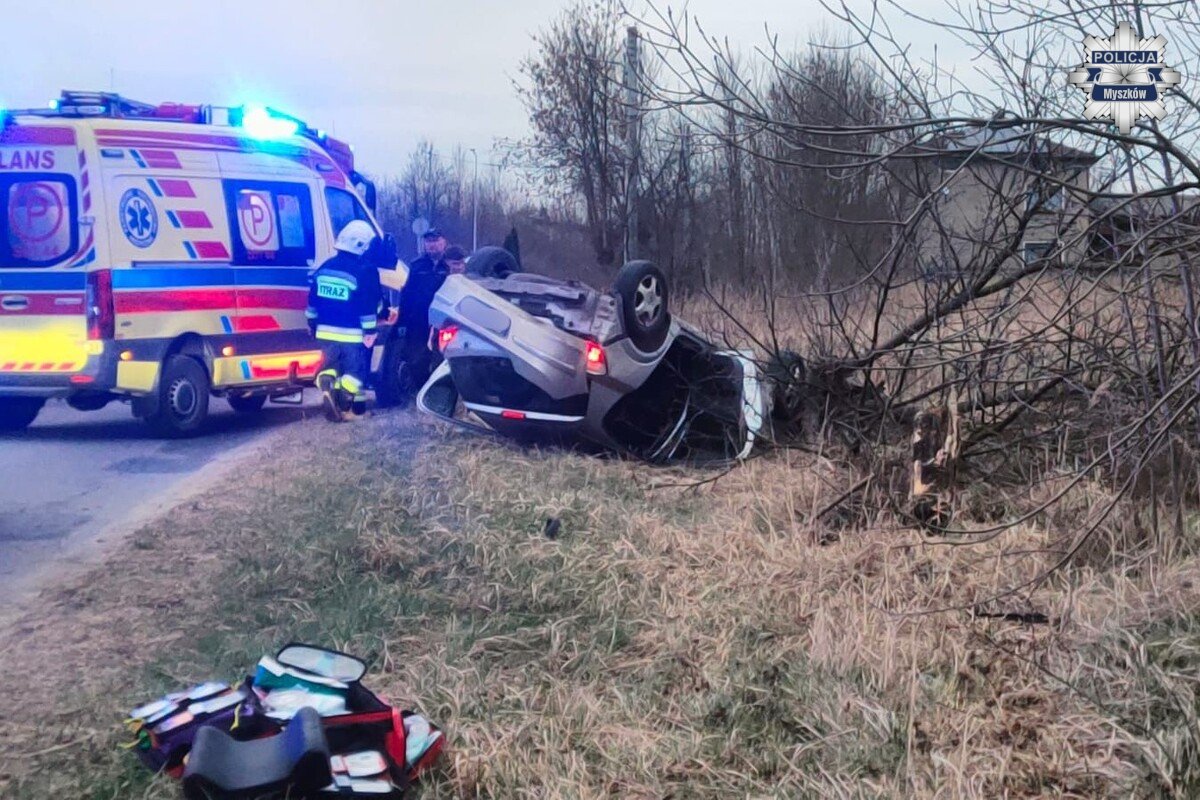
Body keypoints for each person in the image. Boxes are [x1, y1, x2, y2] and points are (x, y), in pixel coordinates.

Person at [307, 220, 385, 422]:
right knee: (356, 373)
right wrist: (370, 331)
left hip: (324, 332)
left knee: (333, 366)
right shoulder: (366, 270)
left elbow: (313, 301)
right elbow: (368, 305)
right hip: (352, 333)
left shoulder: (325, 268)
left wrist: (312, 324)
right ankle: (341, 402)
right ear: (363, 246)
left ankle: (326, 380)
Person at [397, 229, 451, 397]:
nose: (432, 245)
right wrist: (402, 321)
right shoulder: (417, 265)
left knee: (441, 358)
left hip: (443, 320)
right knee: (416, 359)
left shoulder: (450, 266)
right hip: (419, 320)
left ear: (444, 242)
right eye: (428, 241)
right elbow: (407, 294)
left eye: (435, 240)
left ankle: (440, 394)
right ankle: (422, 391)